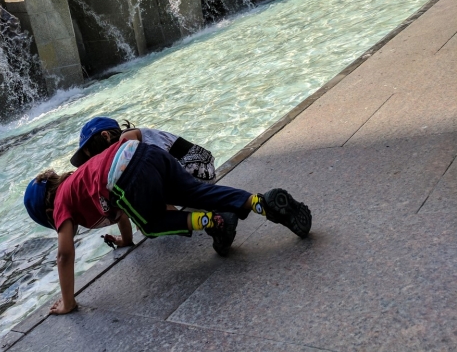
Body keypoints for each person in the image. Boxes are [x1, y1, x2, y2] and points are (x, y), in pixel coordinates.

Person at [24, 139, 312, 315]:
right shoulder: (78, 183)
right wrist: (125, 241)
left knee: (150, 225)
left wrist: (68, 301)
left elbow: (64, 255)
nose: (58, 225)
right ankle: (260, 203)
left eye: (52, 223)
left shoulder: (61, 202)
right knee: (196, 194)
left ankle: (212, 221)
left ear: (49, 212)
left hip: (126, 174)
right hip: (144, 153)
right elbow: (121, 212)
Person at [70, 116, 215, 182]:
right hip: (198, 167)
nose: (97, 158)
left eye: (94, 152)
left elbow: (140, 167)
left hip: (196, 165)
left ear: (105, 135)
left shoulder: (126, 137)